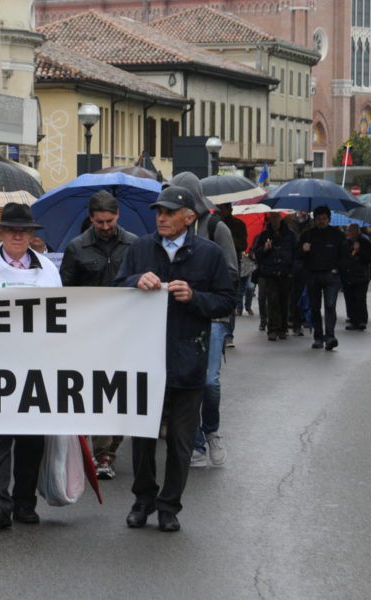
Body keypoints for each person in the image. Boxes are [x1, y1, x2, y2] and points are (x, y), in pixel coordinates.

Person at [114, 185, 233, 532]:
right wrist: (136, 280)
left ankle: (169, 506)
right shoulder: (140, 248)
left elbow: (226, 300)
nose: (161, 218)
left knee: (181, 441)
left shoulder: (208, 254)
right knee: (143, 439)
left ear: (189, 217)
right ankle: (143, 500)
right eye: (159, 212)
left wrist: (194, 297)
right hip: (145, 358)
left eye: (168, 212)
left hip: (187, 360)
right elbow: (116, 288)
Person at [0, 202, 62, 529]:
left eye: (24, 231)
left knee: (32, 441)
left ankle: (25, 502)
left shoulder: (48, 270)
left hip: (36, 365)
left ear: (32, 235)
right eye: (12, 230)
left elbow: (59, 315)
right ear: (1, 232)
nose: (18, 236)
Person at [59, 191, 138, 480]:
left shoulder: (134, 245)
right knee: (99, 391)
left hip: (125, 330)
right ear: (90, 218)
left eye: (110, 220)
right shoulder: (76, 247)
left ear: (118, 216)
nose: (105, 226)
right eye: (100, 221)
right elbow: (64, 291)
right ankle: (103, 453)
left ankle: (110, 446)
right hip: (89, 332)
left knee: (123, 393)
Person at [170, 172, 236, 468]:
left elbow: (231, 272)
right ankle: (194, 442)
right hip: (180, 318)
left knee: (209, 381)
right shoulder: (168, 230)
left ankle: (211, 431)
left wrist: (198, 288)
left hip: (213, 316)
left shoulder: (215, 227)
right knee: (185, 379)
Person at [297, 205, 345, 351]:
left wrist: (337, 268)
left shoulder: (337, 235)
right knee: (315, 307)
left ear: (328, 219)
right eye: (318, 219)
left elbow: (344, 255)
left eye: (324, 219)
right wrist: (303, 250)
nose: (321, 221)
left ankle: (330, 336)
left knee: (330, 305)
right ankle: (318, 337)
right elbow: (298, 255)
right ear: (314, 220)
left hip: (331, 276)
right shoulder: (307, 235)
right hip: (313, 275)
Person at [252, 211, 297, 341]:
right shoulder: (264, 235)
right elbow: (257, 255)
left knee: (283, 301)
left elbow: (295, 254)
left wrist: (291, 271)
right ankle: (272, 329)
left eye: (277, 217)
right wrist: (264, 249)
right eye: (273, 217)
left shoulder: (290, 235)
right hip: (270, 273)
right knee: (272, 300)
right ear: (270, 218)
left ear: (281, 218)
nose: (275, 220)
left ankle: (283, 328)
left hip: (285, 273)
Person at [217, 202, 248, 348]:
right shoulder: (214, 223)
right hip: (217, 264)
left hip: (233, 263)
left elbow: (243, 245)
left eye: (223, 208)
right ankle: (219, 332)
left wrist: (227, 236)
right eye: (219, 208)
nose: (221, 211)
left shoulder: (238, 224)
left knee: (232, 298)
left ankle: (229, 335)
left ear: (230, 209)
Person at [338, 223, 371, 331]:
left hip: (361, 275)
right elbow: (342, 256)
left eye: (350, 231)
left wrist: (360, 251)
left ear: (356, 232)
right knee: (350, 298)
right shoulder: (345, 242)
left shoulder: (365, 241)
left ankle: (362, 320)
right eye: (347, 230)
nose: (348, 233)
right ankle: (353, 319)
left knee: (360, 298)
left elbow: (370, 258)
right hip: (347, 274)